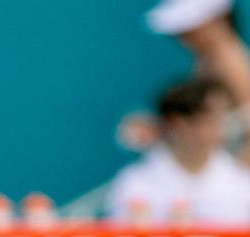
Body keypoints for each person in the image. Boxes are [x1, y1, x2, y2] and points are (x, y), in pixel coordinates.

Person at [107, 76, 250, 223]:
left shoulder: (242, 181)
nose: (220, 129)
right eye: (210, 120)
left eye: (222, 118)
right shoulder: (134, 183)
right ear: (180, 124)